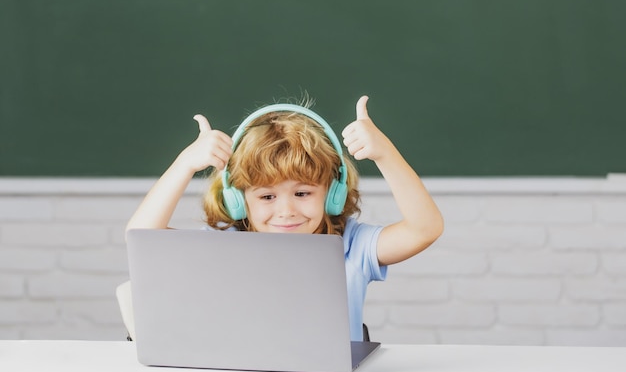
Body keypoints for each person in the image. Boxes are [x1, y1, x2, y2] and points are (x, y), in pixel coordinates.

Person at [126, 95, 444, 341]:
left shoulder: (352, 247)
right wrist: (185, 164)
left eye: (302, 193)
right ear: (238, 202)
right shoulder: (224, 249)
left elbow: (424, 229)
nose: (286, 210)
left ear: (331, 194)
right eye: (267, 196)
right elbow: (142, 239)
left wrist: (384, 153)